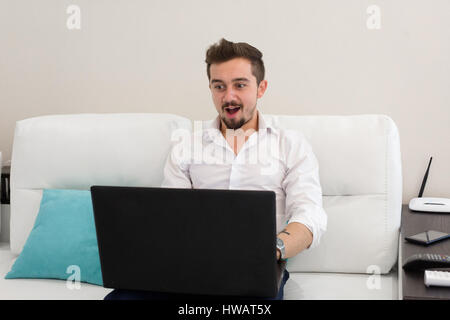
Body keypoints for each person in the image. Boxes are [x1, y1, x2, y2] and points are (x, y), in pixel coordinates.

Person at [104, 38, 327, 300]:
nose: (228, 96)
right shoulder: (186, 146)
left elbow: (309, 215)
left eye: (240, 85)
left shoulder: (291, 145)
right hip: (191, 266)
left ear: (261, 88)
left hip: (256, 270)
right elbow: (172, 217)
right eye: (219, 86)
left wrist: (273, 248)